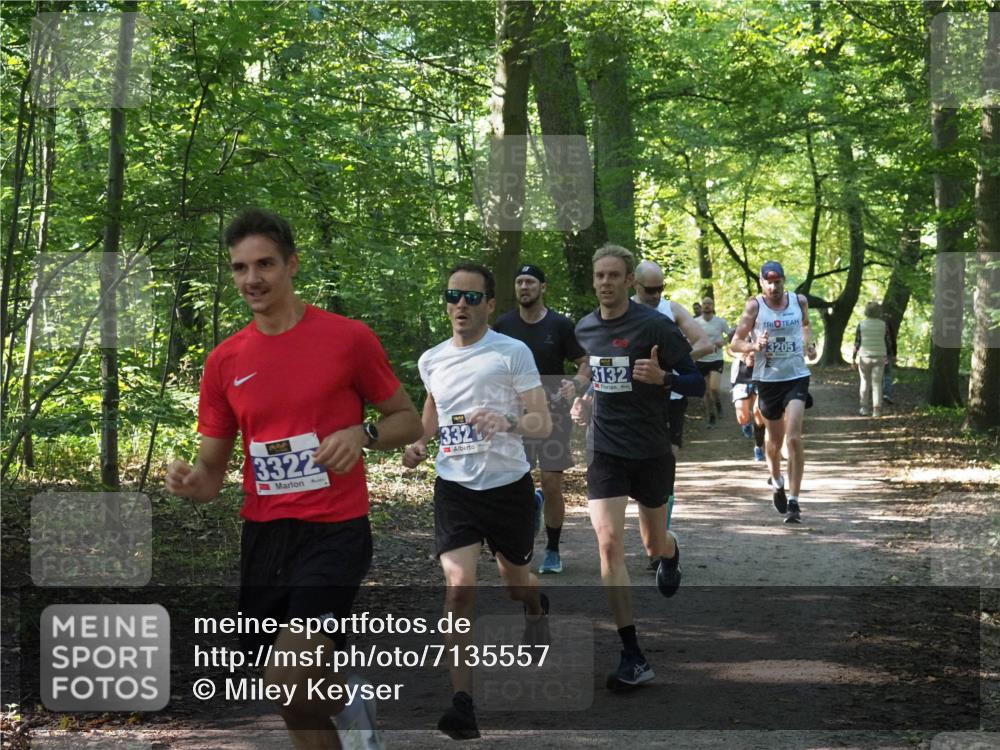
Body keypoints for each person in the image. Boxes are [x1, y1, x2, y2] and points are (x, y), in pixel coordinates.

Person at [165, 208, 423, 750]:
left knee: (288, 677)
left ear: (291, 265)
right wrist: (193, 483)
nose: (251, 279)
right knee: (291, 694)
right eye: (239, 268)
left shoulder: (346, 338)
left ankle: (343, 704)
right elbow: (212, 472)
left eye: (264, 264)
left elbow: (408, 418)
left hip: (335, 531)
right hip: (265, 535)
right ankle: (348, 699)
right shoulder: (224, 361)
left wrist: (364, 435)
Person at [403, 262, 552, 740]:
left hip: (508, 485)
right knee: (459, 589)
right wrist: (419, 442)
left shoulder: (512, 352)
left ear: (490, 304)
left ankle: (534, 610)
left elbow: (542, 422)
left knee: (515, 583)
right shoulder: (432, 359)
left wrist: (506, 423)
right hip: (455, 488)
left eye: (471, 297)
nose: (460, 305)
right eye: (453, 296)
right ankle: (462, 703)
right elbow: (433, 410)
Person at [573, 245, 705, 690]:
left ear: (630, 281)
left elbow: (697, 382)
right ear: (593, 280)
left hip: (651, 449)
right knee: (608, 546)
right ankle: (632, 653)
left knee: (651, 544)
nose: (605, 282)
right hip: (605, 451)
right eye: (599, 275)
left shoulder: (656, 326)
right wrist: (581, 397)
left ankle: (669, 551)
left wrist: (665, 378)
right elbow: (593, 371)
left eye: (614, 275)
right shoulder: (586, 328)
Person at [494, 264, 589, 576]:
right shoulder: (503, 325)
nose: (524, 287)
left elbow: (585, 364)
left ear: (543, 287)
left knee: (550, 482)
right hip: (513, 416)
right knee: (514, 483)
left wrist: (574, 384)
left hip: (553, 415)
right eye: (519, 282)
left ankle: (552, 548)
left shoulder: (560, 325)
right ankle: (524, 527)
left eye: (530, 282)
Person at [631, 260, 713, 565]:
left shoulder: (673, 309)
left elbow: (705, 343)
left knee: (666, 460)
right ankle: (655, 534)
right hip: (633, 400)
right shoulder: (621, 311)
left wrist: (670, 364)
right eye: (649, 290)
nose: (655, 295)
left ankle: (661, 540)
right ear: (634, 285)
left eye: (660, 289)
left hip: (670, 395)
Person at [730, 261, 817, 524]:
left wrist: (808, 343)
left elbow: (805, 325)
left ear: (784, 280)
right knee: (774, 441)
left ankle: (794, 501)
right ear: (761, 282)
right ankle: (777, 481)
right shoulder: (754, 306)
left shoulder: (798, 301)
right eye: (768, 282)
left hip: (796, 376)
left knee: (794, 437)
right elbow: (735, 343)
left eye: (778, 281)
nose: (773, 286)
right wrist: (754, 346)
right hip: (768, 380)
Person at [694, 297, 732, 428]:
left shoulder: (720, 322)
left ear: (713, 305)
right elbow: (689, 338)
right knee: (705, 392)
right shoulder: (695, 322)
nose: (706, 306)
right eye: (704, 304)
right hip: (701, 359)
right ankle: (711, 416)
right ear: (702, 306)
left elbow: (731, 335)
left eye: (709, 303)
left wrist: (724, 342)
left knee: (714, 388)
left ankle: (718, 404)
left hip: (716, 359)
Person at [852, 301, 890, 418]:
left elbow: (857, 343)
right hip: (879, 356)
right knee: (877, 383)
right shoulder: (884, 325)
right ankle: (876, 410)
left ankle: (864, 408)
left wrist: (853, 358)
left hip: (864, 357)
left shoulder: (861, 324)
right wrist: (889, 356)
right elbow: (888, 342)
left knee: (864, 382)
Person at [730, 348, 767, 462]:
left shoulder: (767, 331)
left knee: (758, 413)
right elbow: (730, 349)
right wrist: (740, 354)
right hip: (741, 378)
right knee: (742, 417)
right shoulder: (741, 330)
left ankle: (759, 446)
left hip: (762, 378)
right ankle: (746, 425)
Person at [882, 311, 898, 404]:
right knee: (887, 374)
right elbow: (893, 339)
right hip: (886, 353)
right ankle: (886, 394)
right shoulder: (888, 325)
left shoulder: (871, 324)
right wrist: (894, 354)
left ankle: (877, 395)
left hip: (875, 353)